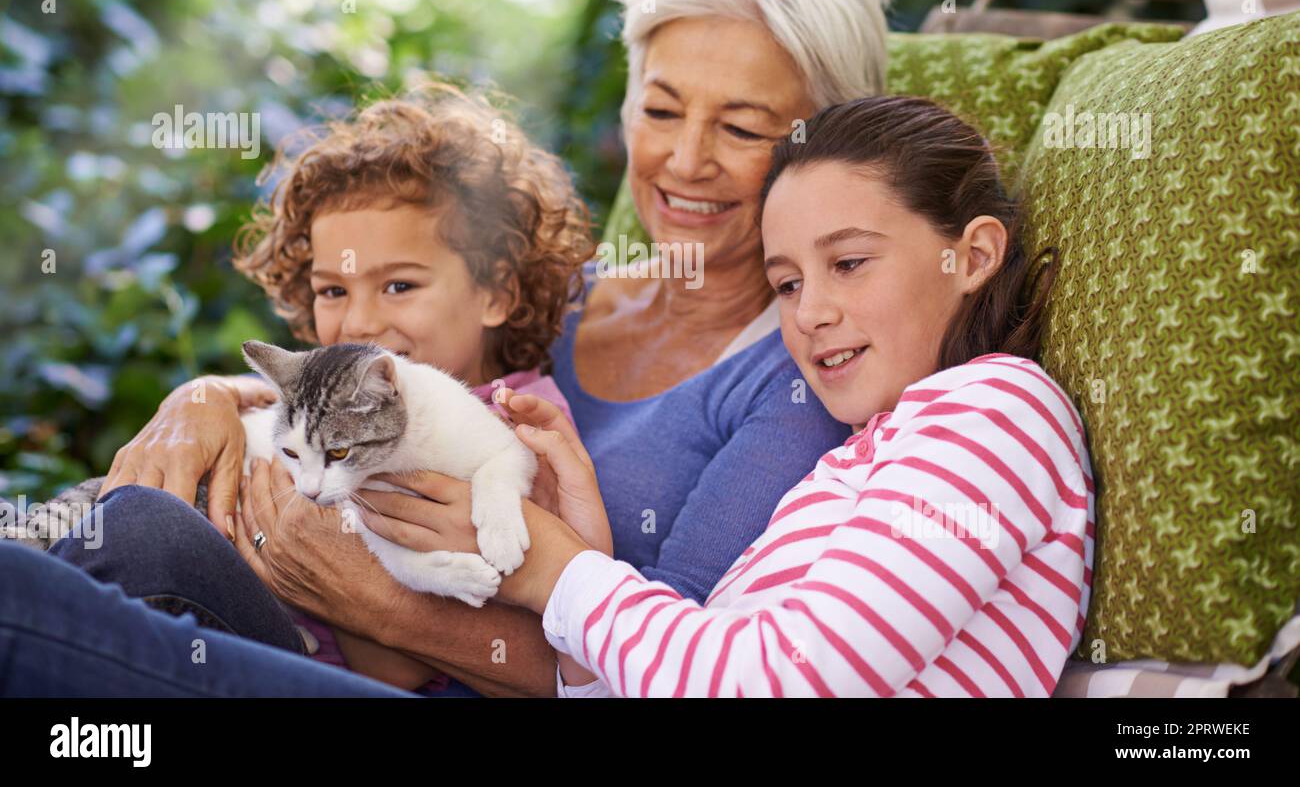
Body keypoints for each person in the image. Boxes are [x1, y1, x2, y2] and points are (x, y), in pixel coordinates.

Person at [52, 0, 892, 697]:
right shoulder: (555, 286)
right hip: (291, 623)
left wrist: (379, 603)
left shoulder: (798, 386)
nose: (684, 159)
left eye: (742, 128)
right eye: (662, 110)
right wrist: (199, 400)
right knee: (101, 554)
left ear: (826, 148)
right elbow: (357, 365)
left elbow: (660, 668)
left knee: (132, 552)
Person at [364, 96, 1095, 697]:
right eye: (788, 283)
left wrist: (555, 571)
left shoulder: (996, 411)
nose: (809, 312)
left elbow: (778, 679)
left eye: (848, 262)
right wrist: (585, 555)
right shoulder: (855, 460)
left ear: (972, 256)